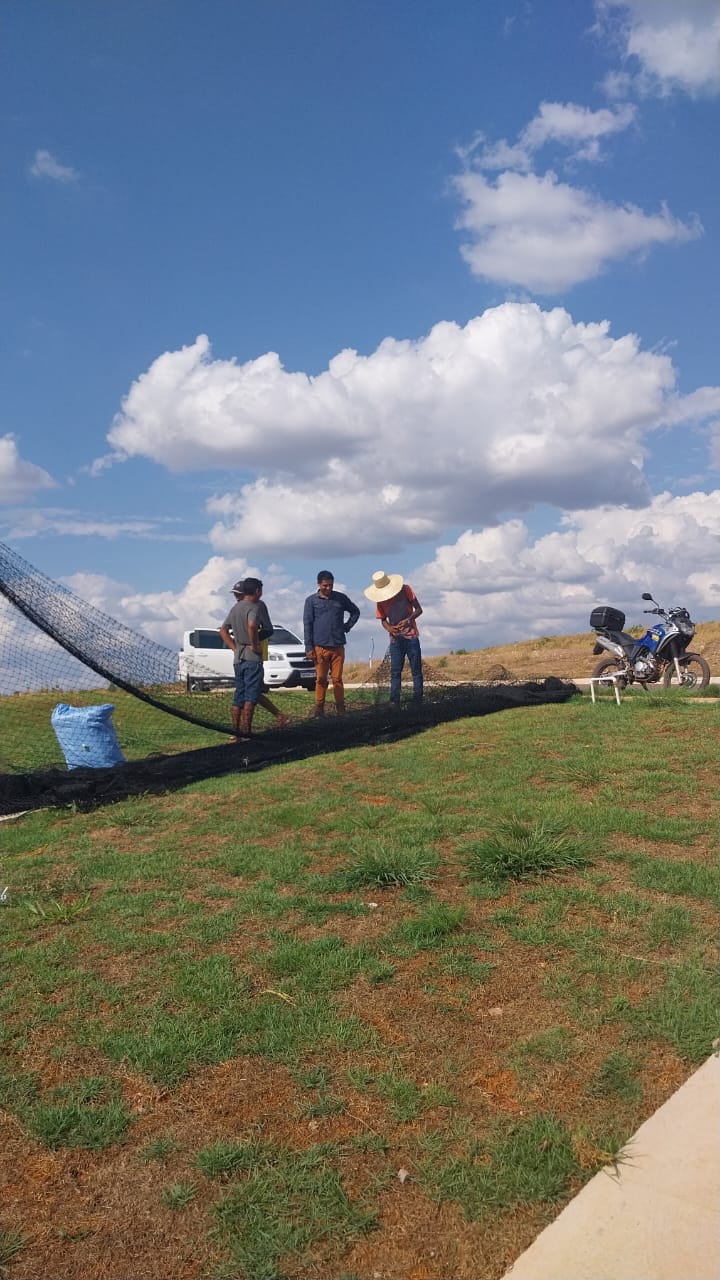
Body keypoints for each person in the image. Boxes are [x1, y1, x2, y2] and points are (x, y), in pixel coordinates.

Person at [221, 580, 289, 736]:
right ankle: (247, 733)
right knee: (251, 697)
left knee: (239, 696)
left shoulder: (235, 608)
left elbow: (223, 630)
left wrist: (235, 648)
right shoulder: (254, 607)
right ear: (258, 591)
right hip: (252, 658)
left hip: (238, 659)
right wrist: (254, 644)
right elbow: (252, 625)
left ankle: (236, 733)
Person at [303, 570, 360, 716]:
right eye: (325, 585)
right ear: (318, 584)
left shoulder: (340, 598)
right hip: (319, 647)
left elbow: (355, 612)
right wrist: (309, 648)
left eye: (330, 585)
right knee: (321, 679)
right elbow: (307, 624)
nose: (328, 588)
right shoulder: (311, 601)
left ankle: (341, 709)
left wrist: (347, 627)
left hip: (338, 646)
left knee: (337, 679)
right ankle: (319, 709)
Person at [364, 570, 423, 707]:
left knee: (416, 669)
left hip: (411, 636)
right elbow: (383, 619)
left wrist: (408, 620)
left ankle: (418, 699)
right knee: (395, 671)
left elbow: (419, 609)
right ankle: (394, 700)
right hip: (395, 640)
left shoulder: (406, 589)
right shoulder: (380, 600)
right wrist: (389, 628)